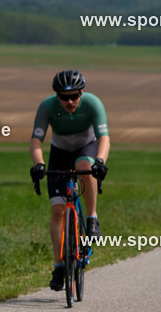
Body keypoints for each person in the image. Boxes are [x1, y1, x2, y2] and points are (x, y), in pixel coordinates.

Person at [29, 69, 110, 291]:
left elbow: (104, 138)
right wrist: (39, 165)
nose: (70, 101)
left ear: (81, 93)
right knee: (57, 210)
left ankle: (92, 217)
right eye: (64, 97)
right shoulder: (47, 107)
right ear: (57, 96)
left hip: (86, 147)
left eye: (74, 96)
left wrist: (100, 161)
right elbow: (36, 141)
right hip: (60, 153)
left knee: (85, 167)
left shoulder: (93, 103)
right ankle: (59, 265)